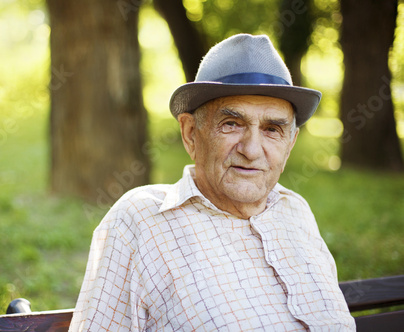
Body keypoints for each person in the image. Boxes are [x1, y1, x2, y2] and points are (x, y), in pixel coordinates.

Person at [69, 34, 355, 331]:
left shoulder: (296, 211)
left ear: (291, 142)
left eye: (272, 129)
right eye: (232, 124)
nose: (252, 149)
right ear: (191, 133)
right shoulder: (141, 221)